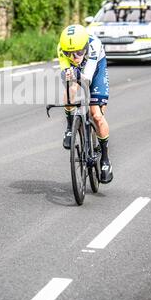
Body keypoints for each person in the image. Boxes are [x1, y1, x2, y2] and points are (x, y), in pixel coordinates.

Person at [58, 24, 113, 184]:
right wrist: (66, 74)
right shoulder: (62, 49)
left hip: (95, 69)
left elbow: (87, 78)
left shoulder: (94, 45)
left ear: (85, 47)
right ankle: (70, 127)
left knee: (96, 115)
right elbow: (66, 71)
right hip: (77, 71)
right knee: (70, 90)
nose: (74, 57)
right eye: (69, 53)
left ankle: (105, 159)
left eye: (79, 52)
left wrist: (76, 73)